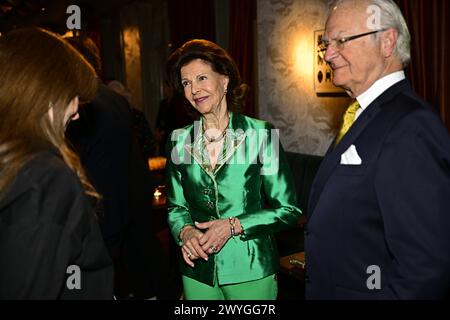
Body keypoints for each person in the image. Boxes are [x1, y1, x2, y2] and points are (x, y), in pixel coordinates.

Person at [306, 0, 450, 299]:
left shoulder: (412, 126)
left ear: (387, 41)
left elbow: (424, 270)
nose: (328, 54)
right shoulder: (361, 113)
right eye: (327, 44)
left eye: (341, 41)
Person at [165, 39, 302, 300]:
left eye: (202, 78)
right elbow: (176, 207)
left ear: (224, 80)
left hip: (250, 267)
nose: (194, 89)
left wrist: (232, 225)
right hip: (197, 268)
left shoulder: (261, 134)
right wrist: (186, 232)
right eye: (186, 83)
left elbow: (288, 210)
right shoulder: (179, 140)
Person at [0, 27, 114, 299]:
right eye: (72, 94)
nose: (75, 113)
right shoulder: (47, 178)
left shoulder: (13, 163)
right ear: (46, 92)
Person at [66, 37, 180, 300]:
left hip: (107, 224)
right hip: (131, 213)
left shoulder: (87, 103)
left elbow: (95, 174)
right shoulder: (113, 99)